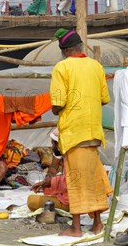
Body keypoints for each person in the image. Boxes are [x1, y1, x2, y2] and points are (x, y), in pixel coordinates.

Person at [49, 29, 112, 237]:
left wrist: (57, 109)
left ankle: (76, 227)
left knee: (75, 180)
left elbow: (58, 103)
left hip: (74, 132)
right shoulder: (96, 66)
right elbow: (104, 99)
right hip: (93, 131)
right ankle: (97, 224)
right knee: (93, 178)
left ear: (65, 50)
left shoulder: (62, 67)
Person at [28, 128, 69, 212]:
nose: (51, 146)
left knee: (31, 200)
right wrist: (47, 180)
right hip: (69, 193)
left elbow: (71, 180)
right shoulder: (60, 152)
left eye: (53, 143)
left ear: (59, 144)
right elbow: (53, 168)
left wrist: (52, 182)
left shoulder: (73, 157)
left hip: (75, 202)